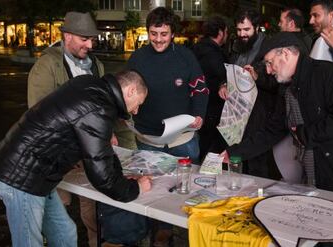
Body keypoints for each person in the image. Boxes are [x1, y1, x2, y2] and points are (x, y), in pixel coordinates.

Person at [223, 32, 333, 247]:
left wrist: (302, 133)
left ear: (287, 54)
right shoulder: (287, 89)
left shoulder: (329, 74)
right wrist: (235, 152)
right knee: (329, 236)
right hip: (327, 176)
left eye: (271, 63)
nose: (269, 70)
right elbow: (273, 129)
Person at [0, 70, 152, 247]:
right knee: (29, 242)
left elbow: (103, 151)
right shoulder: (98, 108)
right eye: (138, 103)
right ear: (130, 91)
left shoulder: (91, 86)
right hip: (20, 177)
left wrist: (122, 179)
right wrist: (135, 188)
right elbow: (102, 177)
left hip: (38, 175)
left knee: (65, 233)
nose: (136, 111)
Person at [100, 7, 208, 246]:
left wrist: (199, 114)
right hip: (147, 138)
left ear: (172, 34)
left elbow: (200, 88)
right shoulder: (138, 57)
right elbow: (122, 91)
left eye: (164, 34)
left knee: (185, 190)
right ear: (147, 32)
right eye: (153, 33)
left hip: (183, 139)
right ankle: (153, 232)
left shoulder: (186, 56)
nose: (158, 39)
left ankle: (185, 233)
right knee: (150, 187)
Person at [27, 11, 104, 247]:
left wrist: (103, 136)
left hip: (87, 154)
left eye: (92, 39)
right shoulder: (47, 65)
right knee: (61, 211)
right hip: (58, 155)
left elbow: (99, 109)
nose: (90, 45)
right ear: (67, 36)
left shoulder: (96, 66)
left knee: (92, 209)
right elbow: (38, 117)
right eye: (84, 39)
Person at [219, 9, 278, 179]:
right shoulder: (235, 46)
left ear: (257, 28)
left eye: (246, 30)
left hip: (259, 116)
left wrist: (257, 77)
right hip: (236, 116)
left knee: (257, 166)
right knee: (237, 164)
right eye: (239, 30)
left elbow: (277, 83)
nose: (242, 34)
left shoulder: (269, 47)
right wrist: (223, 85)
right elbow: (228, 74)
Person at [192, 16, 229, 159]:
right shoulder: (216, 55)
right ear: (220, 33)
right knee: (211, 149)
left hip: (198, 109)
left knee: (201, 145)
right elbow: (221, 78)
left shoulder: (196, 49)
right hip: (214, 111)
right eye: (226, 31)